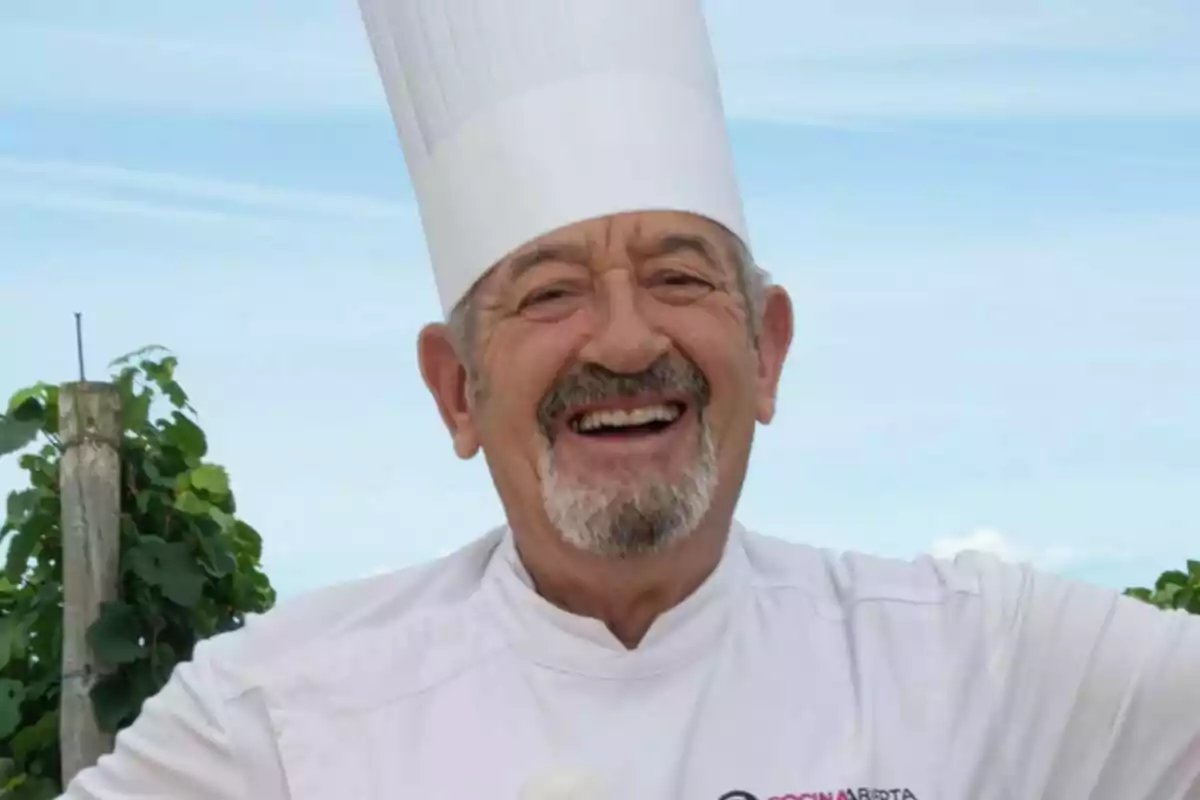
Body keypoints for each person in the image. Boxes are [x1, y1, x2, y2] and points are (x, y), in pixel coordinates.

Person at [60, 0, 1200, 798]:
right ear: (456, 391)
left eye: (680, 275)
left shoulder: (979, 660)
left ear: (769, 349)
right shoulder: (279, 711)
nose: (624, 335)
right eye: (549, 291)